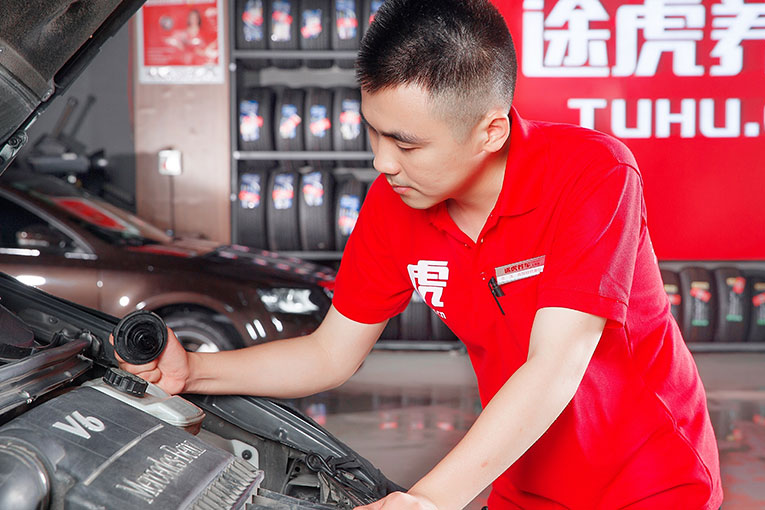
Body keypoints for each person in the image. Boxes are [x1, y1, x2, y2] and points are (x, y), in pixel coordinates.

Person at [117, 1, 723, 509]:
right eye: (373, 131)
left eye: (406, 144)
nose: (381, 162)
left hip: (651, 481)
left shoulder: (592, 175)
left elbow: (554, 367)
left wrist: (428, 500)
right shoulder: (395, 204)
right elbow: (329, 353)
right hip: (520, 476)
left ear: (490, 132)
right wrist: (194, 371)